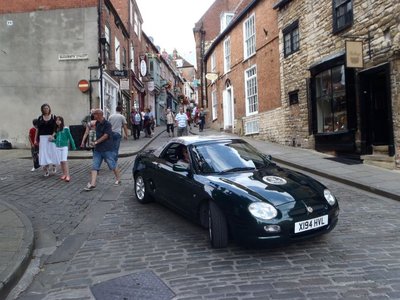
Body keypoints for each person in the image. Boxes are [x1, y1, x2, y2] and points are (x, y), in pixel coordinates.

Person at [84, 109, 121, 191]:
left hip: (107, 149)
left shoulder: (107, 124)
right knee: (95, 166)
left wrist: (96, 142)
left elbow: (106, 136)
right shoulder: (97, 123)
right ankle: (93, 184)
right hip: (98, 149)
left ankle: (118, 179)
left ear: (99, 115)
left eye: (95, 114)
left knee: (112, 164)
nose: (93, 116)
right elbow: (95, 133)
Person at [34, 103, 58, 177]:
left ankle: (54, 165)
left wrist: (53, 136)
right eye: (44, 108)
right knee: (43, 153)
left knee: (52, 152)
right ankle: (46, 169)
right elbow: (37, 129)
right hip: (42, 138)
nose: (46, 109)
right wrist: (35, 139)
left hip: (51, 137)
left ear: (49, 109)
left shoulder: (54, 117)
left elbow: (56, 128)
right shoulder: (40, 118)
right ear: (42, 109)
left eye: (47, 108)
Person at [52, 116, 76, 182]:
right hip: (57, 147)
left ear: (62, 121)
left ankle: (68, 175)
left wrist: (73, 146)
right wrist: (52, 140)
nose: (57, 121)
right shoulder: (56, 129)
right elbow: (57, 139)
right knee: (61, 161)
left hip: (64, 147)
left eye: (59, 120)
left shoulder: (65, 129)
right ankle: (64, 174)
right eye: (56, 120)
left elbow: (70, 137)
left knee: (64, 161)